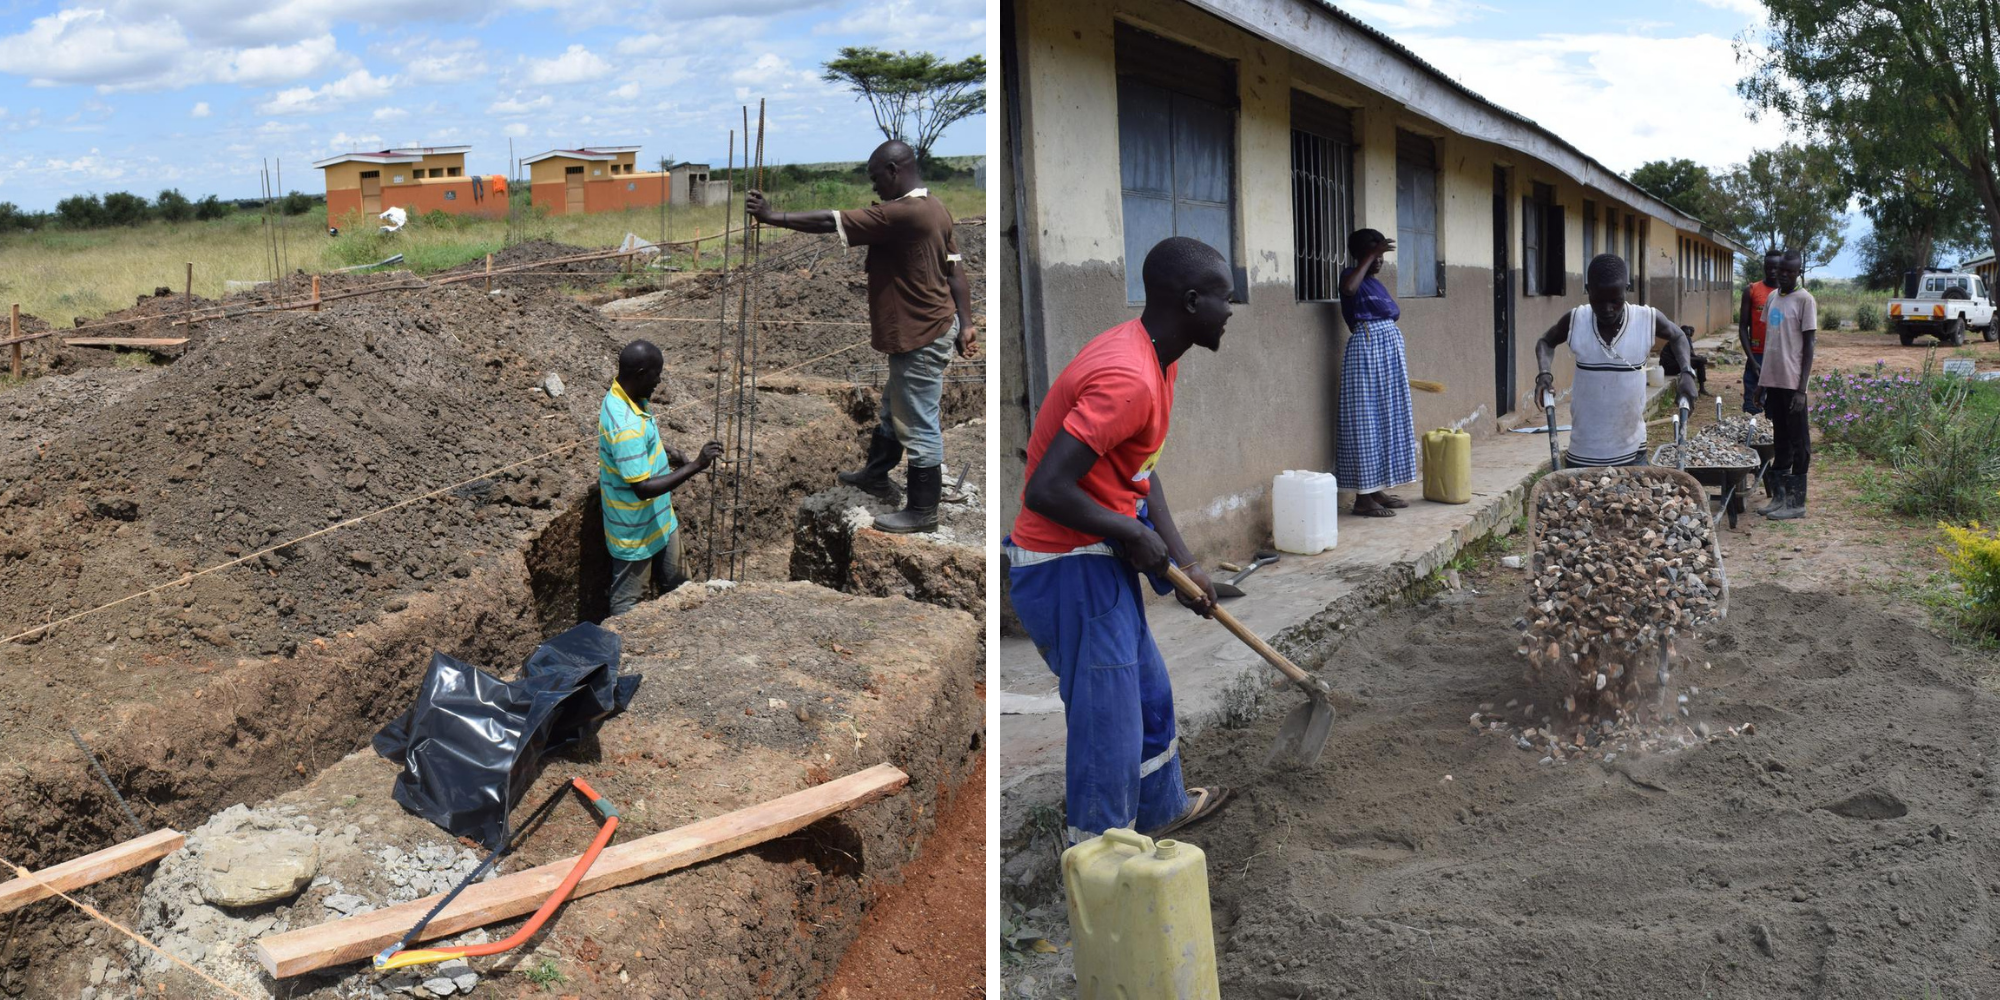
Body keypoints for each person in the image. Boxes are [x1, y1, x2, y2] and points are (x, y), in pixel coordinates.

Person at [1005, 236, 1236, 848]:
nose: (1231, 310)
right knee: (1108, 721)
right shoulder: (1128, 376)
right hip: (1064, 567)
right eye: (1225, 298)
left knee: (1148, 696)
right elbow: (1045, 488)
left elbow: (1140, 470)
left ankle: (1160, 811)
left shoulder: (1161, 358)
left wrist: (1183, 561)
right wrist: (1134, 533)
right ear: (1191, 302)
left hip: (1095, 555)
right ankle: (1102, 857)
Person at [745, 140, 975, 534]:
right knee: (893, 406)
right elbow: (955, 271)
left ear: (892, 171)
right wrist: (967, 324)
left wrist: (772, 215)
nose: (874, 189)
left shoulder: (905, 213)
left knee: (918, 422)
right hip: (926, 327)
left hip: (920, 332)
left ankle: (923, 511)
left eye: (875, 179)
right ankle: (875, 475)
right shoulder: (936, 208)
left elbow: (828, 221)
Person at [1533, 254, 1698, 467]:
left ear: (1626, 289)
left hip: (1631, 453)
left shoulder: (1645, 319)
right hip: (1583, 453)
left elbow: (1678, 336)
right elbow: (1545, 342)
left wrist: (1686, 372)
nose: (1607, 308)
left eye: (1615, 300)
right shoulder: (1576, 320)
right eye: (1598, 301)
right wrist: (1544, 373)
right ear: (1587, 289)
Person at [600, 339, 723, 617]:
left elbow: (639, 448)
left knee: (682, 589)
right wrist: (696, 465)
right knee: (628, 609)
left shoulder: (629, 396)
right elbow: (642, 488)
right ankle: (627, 653)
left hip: (660, 520)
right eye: (656, 374)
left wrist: (667, 452)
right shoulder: (625, 424)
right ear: (641, 374)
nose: (660, 381)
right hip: (634, 533)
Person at [1336, 229, 1418, 517]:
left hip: (1387, 352)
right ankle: (1362, 498)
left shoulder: (1374, 284)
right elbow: (1348, 290)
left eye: (1382, 256)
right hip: (1367, 351)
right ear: (1360, 253)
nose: (1379, 261)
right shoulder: (1350, 276)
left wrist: (1373, 257)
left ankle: (1376, 489)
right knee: (1365, 420)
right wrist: (1368, 257)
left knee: (1386, 418)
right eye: (1375, 255)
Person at [1753, 250, 1816, 520]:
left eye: (1790, 271)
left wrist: (1802, 389)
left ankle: (1796, 502)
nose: (1785, 275)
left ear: (1799, 271)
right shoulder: (1771, 298)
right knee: (1779, 439)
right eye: (1781, 271)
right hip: (1774, 381)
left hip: (1793, 383)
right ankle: (1779, 498)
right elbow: (1771, 344)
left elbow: (1809, 346)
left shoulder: (1805, 300)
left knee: (1799, 440)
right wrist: (1761, 383)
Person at [1739, 249, 1784, 416]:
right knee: (1752, 407)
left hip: (1780, 357)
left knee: (1775, 408)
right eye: (1768, 267)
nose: (1772, 271)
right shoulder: (1751, 290)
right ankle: (1751, 440)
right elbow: (1743, 327)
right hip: (1756, 357)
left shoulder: (1789, 294)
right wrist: (1751, 360)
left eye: (1776, 267)